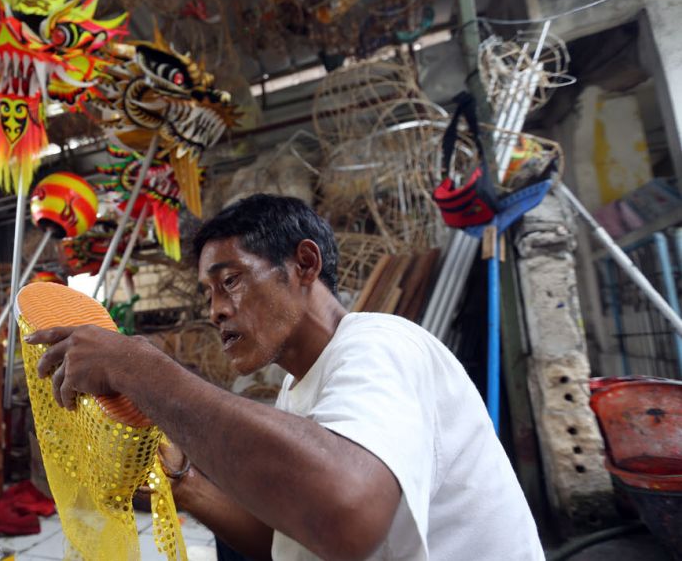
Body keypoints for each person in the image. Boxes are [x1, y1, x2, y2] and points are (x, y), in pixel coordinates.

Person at [27, 194, 544, 561]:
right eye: (208, 295)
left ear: (304, 264)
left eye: (229, 281)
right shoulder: (298, 389)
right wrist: (182, 480)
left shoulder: (381, 344)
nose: (216, 311)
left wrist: (138, 366)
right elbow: (292, 540)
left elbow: (347, 518)